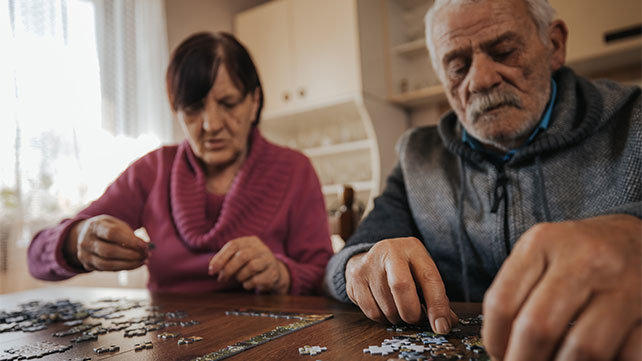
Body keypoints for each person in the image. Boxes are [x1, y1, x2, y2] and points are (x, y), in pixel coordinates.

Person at [325, 0, 641, 360]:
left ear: (554, 45)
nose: (481, 79)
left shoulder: (636, 121)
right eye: (458, 66)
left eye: (504, 51)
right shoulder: (416, 155)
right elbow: (351, 256)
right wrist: (359, 265)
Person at [28, 32, 333, 296]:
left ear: (254, 102)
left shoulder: (295, 169)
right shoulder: (152, 171)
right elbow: (36, 258)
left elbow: (324, 276)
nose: (211, 125)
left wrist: (282, 274)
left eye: (227, 104)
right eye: (193, 108)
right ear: (177, 110)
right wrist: (75, 239)